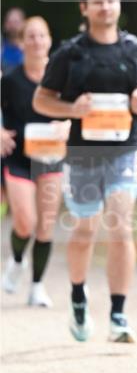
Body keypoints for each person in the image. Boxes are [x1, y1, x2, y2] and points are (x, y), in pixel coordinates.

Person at [33, 0, 137, 344]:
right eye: (98, 1)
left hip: (127, 151)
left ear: (119, 5)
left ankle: (118, 314)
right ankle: (77, 297)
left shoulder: (135, 48)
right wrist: (72, 109)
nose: (106, 6)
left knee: (120, 224)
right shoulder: (70, 53)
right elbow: (41, 100)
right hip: (83, 157)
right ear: (84, 8)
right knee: (86, 230)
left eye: (111, 0)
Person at [1, 16, 67, 306]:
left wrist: (67, 124)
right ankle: (16, 261)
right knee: (25, 223)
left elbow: (78, 111)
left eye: (42, 36)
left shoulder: (61, 79)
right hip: (18, 159)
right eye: (31, 36)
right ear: (23, 41)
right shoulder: (11, 79)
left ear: (49, 41)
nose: (37, 41)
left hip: (51, 159)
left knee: (46, 226)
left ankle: (37, 287)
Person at [1, 7, 26, 73]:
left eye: (16, 22)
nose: (13, 25)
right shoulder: (1, 48)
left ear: (24, 24)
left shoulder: (31, 49)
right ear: (5, 25)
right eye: (10, 22)